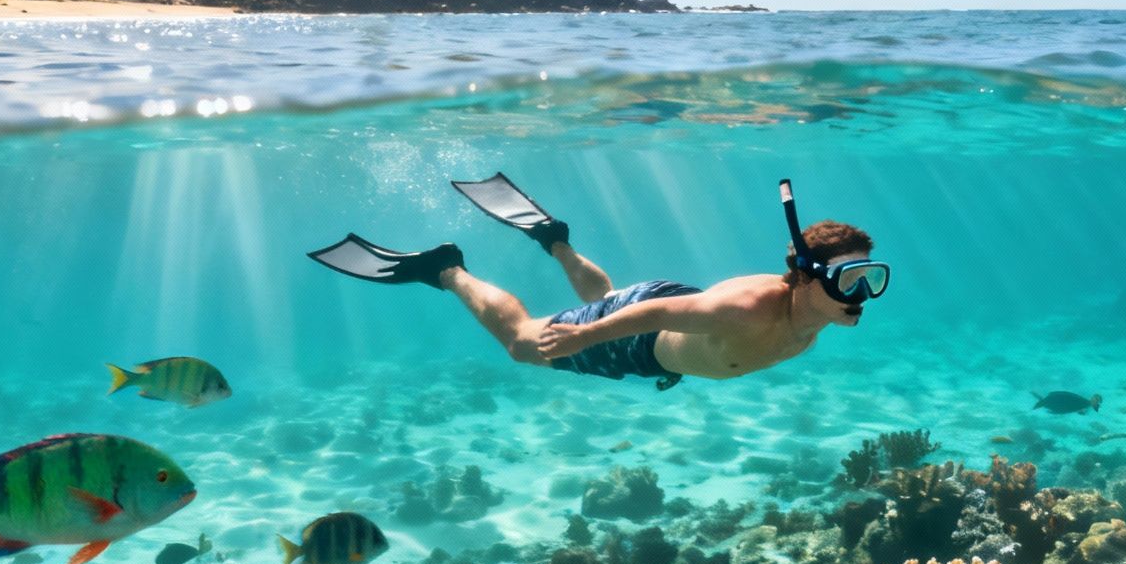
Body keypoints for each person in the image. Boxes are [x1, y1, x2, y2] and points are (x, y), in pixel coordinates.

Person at [308, 176, 888, 390]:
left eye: (869, 278)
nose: (861, 295)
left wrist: (680, 365)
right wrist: (588, 339)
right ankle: (444, 267)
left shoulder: (819, 312)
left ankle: (555, 239)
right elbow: (656, 317)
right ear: (806, 277)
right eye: (850, 278)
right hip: (642, 335)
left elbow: (682, 319)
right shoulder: (747, 307)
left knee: (603, 298)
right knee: (523, 346)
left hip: (672, 331)